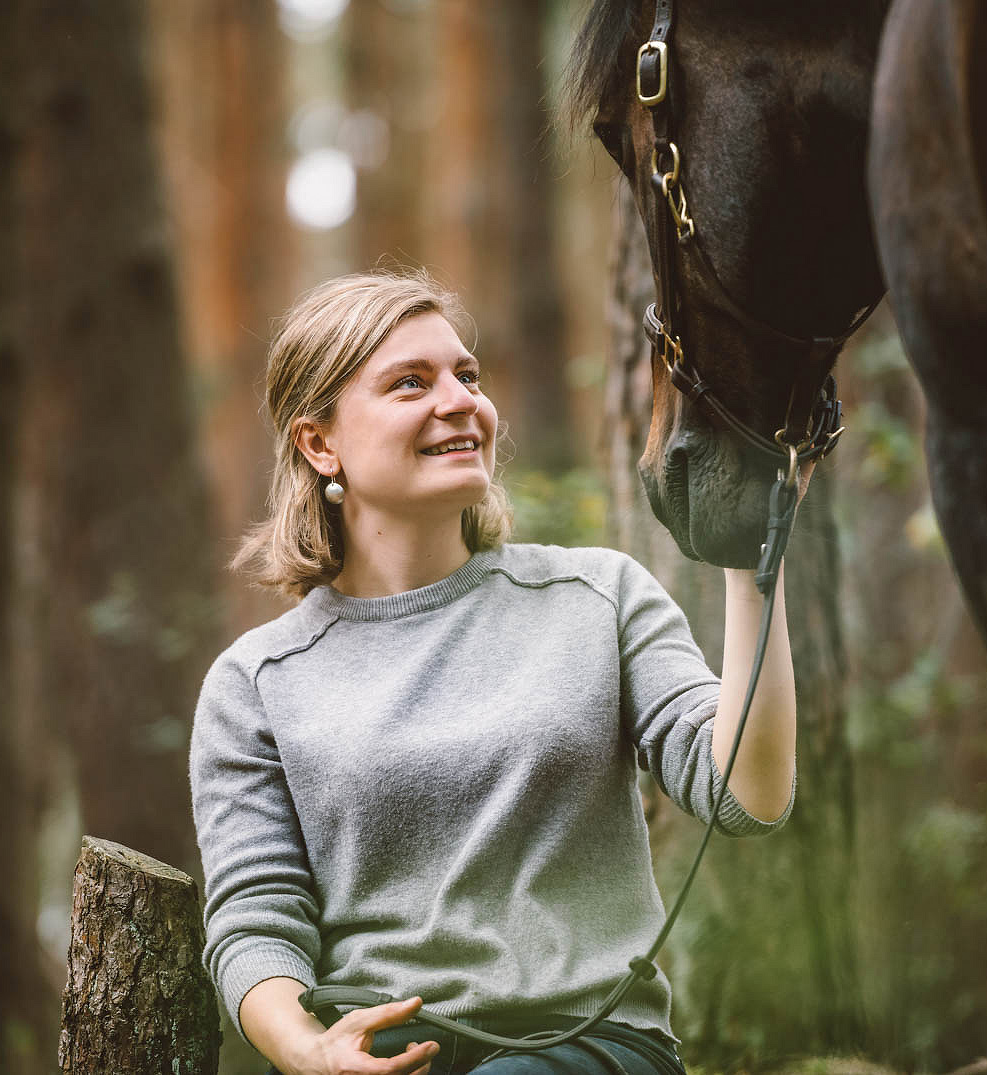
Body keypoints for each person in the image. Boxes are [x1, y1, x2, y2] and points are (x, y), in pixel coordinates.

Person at [190, 270, 804, 1075]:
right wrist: (307, 1049)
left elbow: (745, 794)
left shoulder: (598, 598)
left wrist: (749, 556)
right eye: (411, 382)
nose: (460, 401)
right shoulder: (256, 682)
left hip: (585, 1047)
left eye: (466, 376)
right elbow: (257, 919)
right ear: (319, 441)